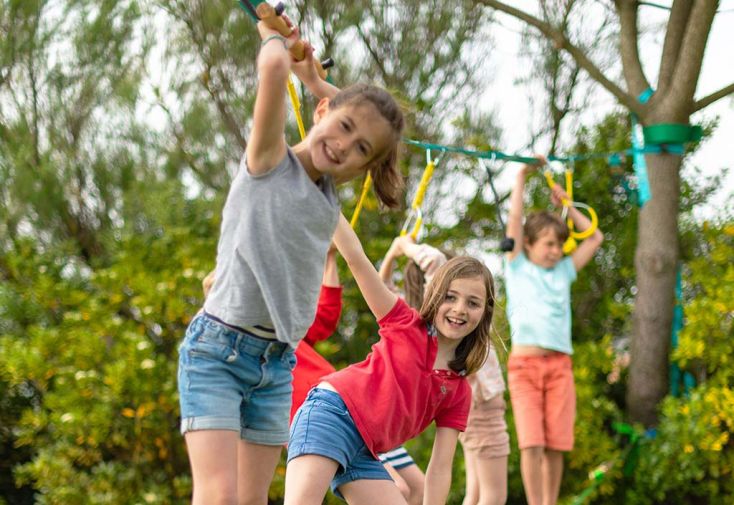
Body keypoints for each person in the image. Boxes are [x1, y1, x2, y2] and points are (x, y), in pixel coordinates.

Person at [177, 16, 405, 505]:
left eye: (360, 149)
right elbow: (275, 68)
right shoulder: (267, 160)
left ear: (364, 167)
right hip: (217, 351)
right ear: (321, 112)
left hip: (277, 365)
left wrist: (318, 82)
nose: (343, 144)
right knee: (218, 495)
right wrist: (274, 34)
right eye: (342, 127)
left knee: (252, 499)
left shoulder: (327, 200)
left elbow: (366, 116)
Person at [285, 215, 496, 505]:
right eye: (451, 297)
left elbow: (440, 468)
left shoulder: (459, 391)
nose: (459, 309)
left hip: (366, 449)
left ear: (484, 313)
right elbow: (357, 260)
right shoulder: (405, 324)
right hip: (331, 414)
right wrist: (327, 203)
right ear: (435, 295)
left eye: (472, 303)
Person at [504, 157, 604, 505]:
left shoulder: (564, 271)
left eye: (559, 244)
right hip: (525, 368)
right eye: (547, 244)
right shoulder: (516, 266)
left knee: (556, 443)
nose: (555, 251)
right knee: (531, 441)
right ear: (528, 244)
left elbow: (594, 238)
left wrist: (567, 206)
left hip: (560, 366)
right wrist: (520, 177)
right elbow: (515, 223)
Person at [381, 236, 510, 505]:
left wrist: (393, 256)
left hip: (469, 405)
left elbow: (385, 286)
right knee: (493, 495)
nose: (462, 306)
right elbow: (434, 262)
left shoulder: (425, 315)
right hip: (483, 405)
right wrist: (403, 246)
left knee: (475, 493)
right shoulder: (441, 308)